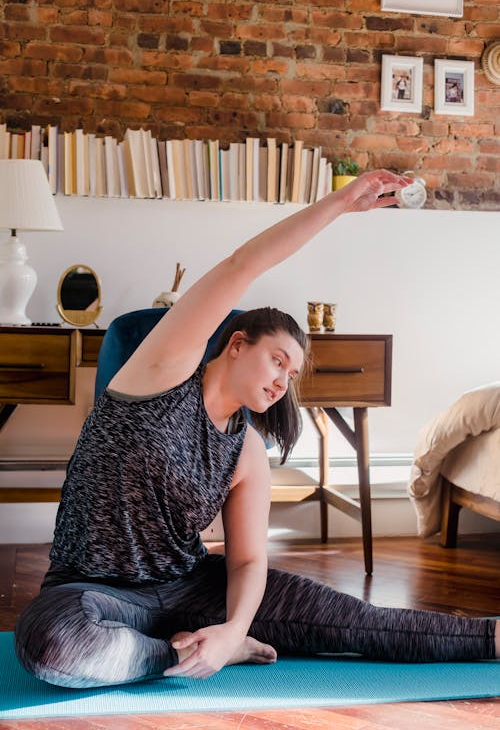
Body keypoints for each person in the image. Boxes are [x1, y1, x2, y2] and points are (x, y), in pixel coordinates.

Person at [15, 171, 499, 688]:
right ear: (237, 343)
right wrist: (338, 204)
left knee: (357, 621)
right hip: (93, 591)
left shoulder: (244, 449)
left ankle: (491, 639)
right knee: (55, 645)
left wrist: (232, 628)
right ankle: (183, 653)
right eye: (277, 360)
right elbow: (242, 265)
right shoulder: (158, 376)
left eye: (291, 376)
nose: (281, 382)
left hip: (191, 588)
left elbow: (246, 560)